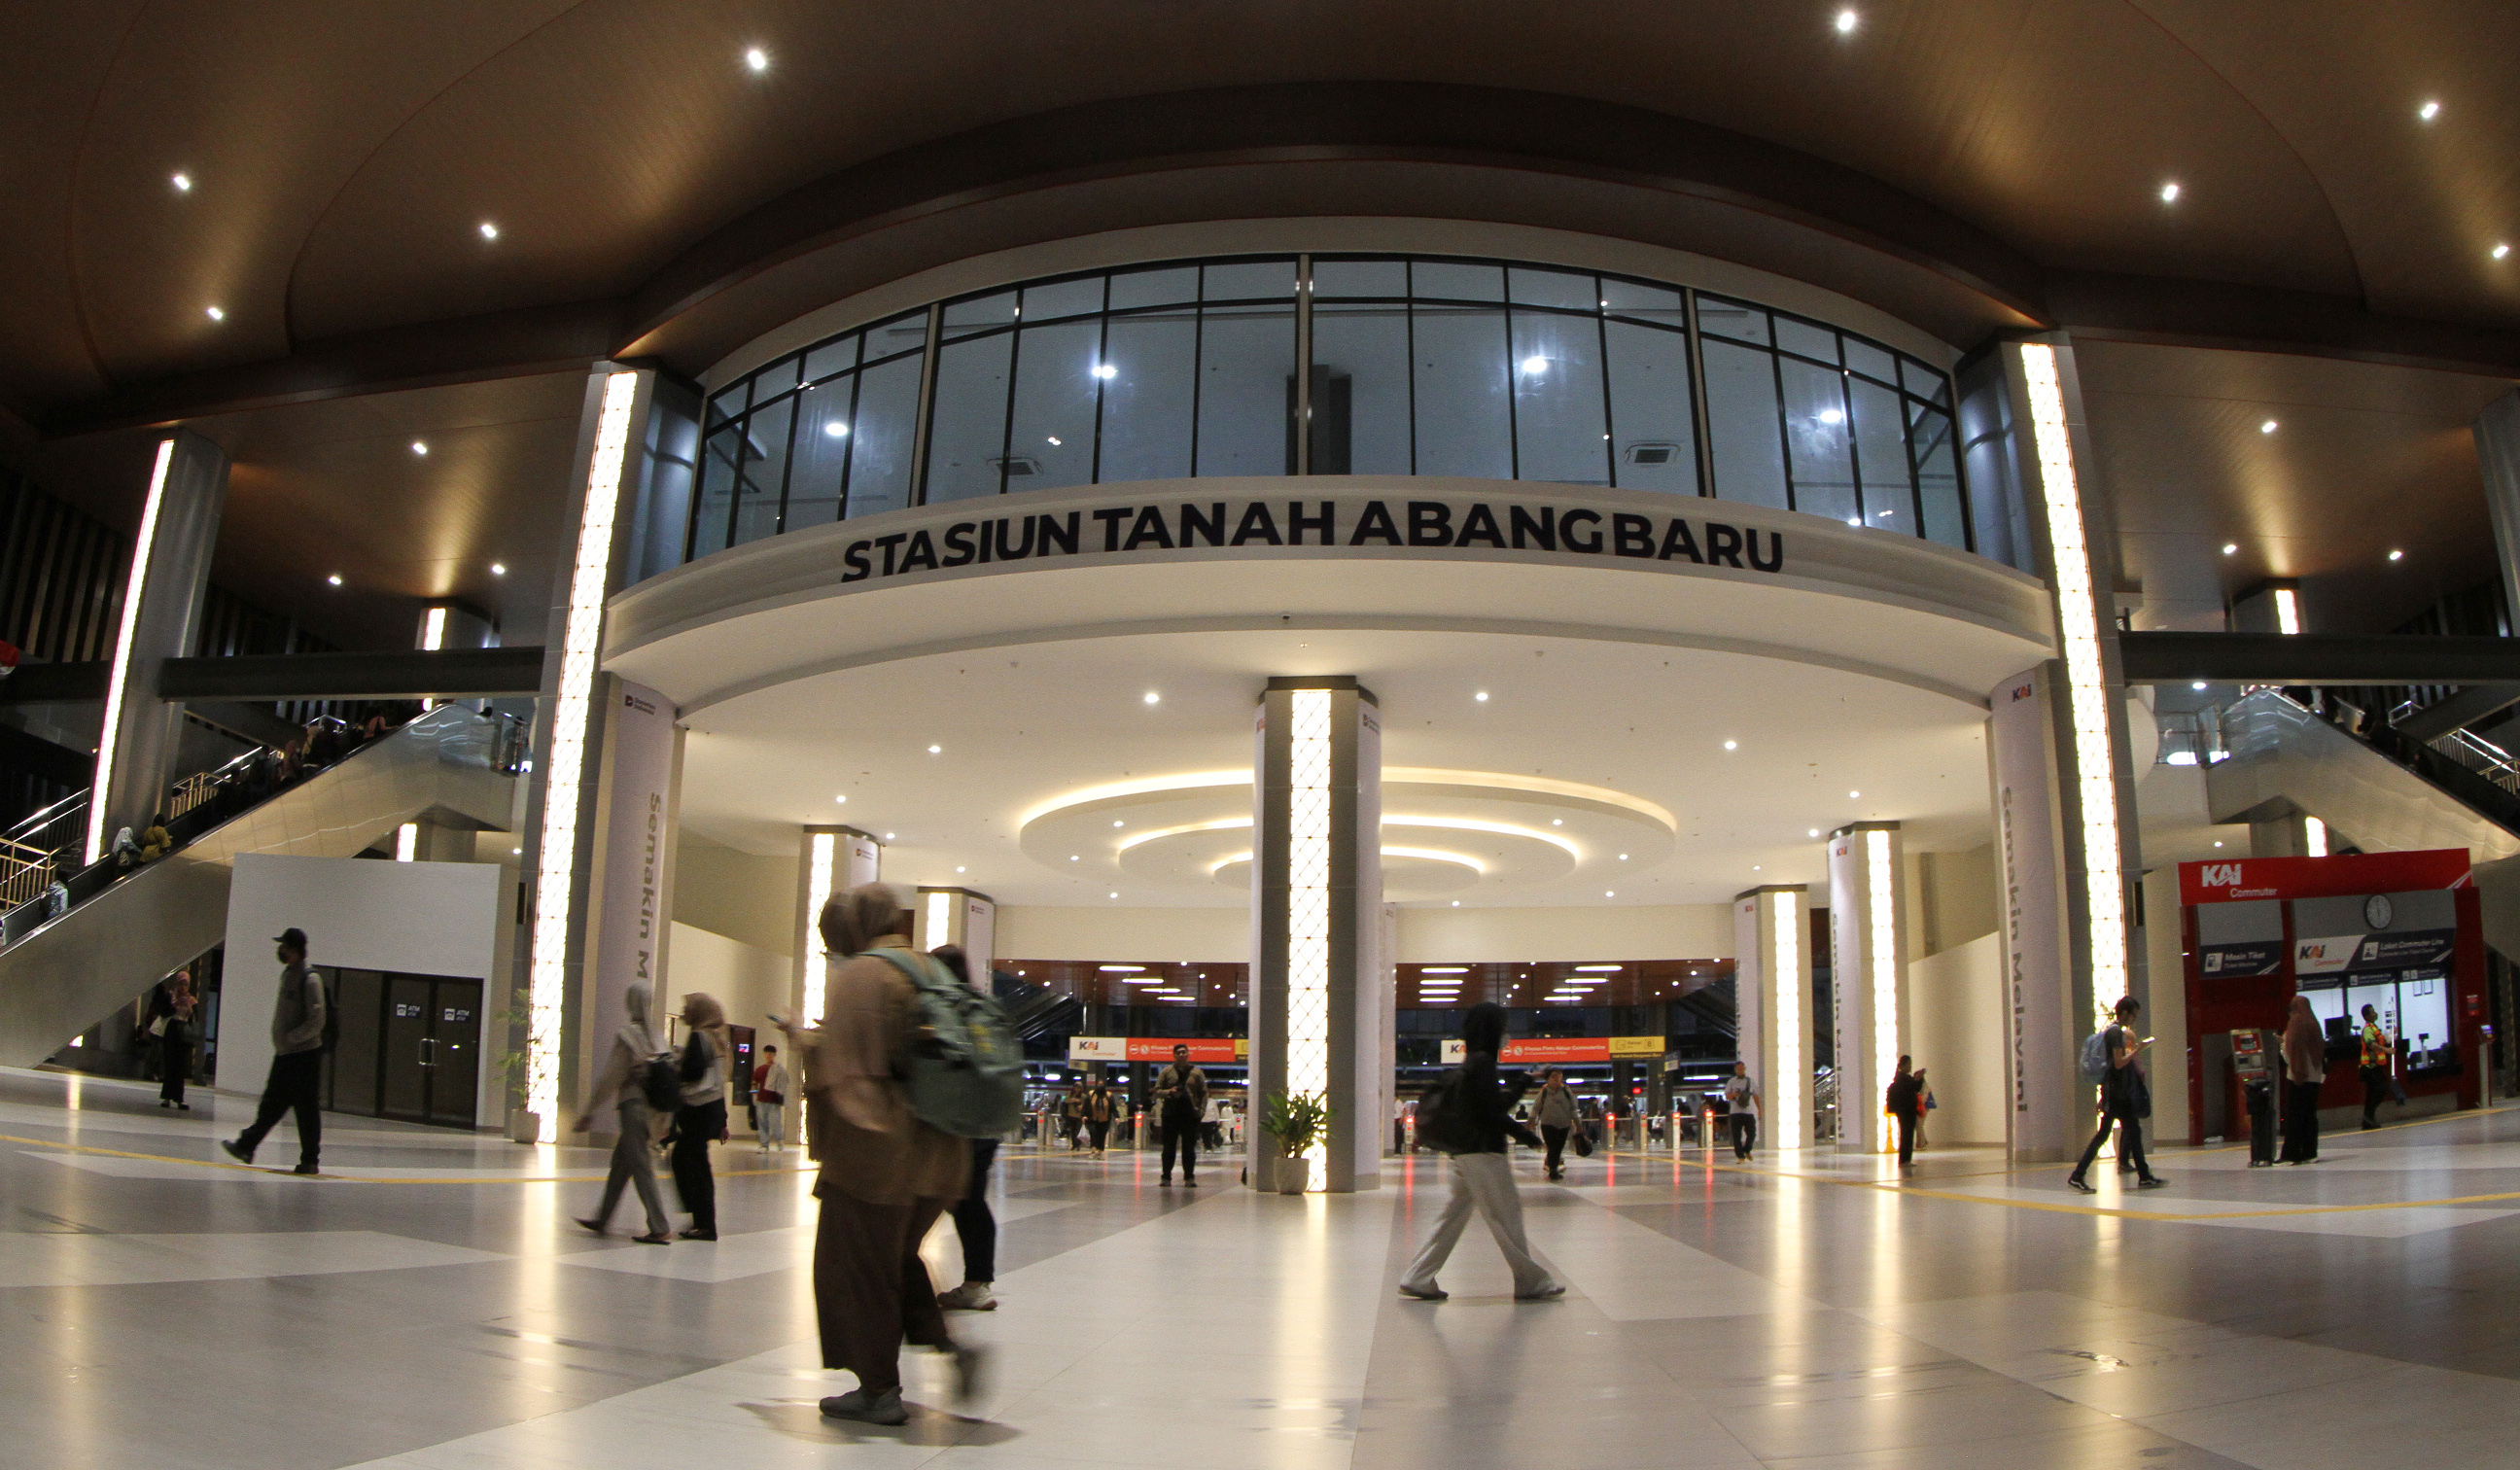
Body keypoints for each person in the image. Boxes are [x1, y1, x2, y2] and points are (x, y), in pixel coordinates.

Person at [785, 884, 976, 1425]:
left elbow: (845, 1073)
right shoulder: (927, 968)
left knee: (856, 1268)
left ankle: (879, 1391)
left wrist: (803, 1041)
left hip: (880, 1154)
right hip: (943, 1153)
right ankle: (946, 1346)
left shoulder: (862, 976)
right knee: (894, 1259)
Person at [1397, 1001, 1564, 1303]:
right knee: (1507, 1215)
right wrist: (1526, 1135)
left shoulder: (1473, 1061)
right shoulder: (1484, 1062)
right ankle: (1531, 1282)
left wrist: (1525, 1080)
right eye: (1504, 1028)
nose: (1507, 1036)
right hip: (1483, 1151)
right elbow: (1492, 1112)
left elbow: (1488, 1106)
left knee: (1453, 1217)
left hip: (1465, 1152)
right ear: (1493, 1030)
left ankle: (1418, 1277)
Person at [571, 982, 674, 1243]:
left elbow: (611, 1077)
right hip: (652, 1112)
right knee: (621, 1164)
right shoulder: (658, 1038)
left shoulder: (628, 1036)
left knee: (640, 1167)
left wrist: (590, 1110)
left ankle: (659, 1226)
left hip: (632, 1108)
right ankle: (603, 1218)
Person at [222, 928, 327, 1175]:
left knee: (306, 1108)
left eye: (284, 946)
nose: (280, 950)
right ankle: (247, 1145)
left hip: (304, 1056)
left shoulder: (310, 980)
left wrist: (292, 1038)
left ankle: (309, 1159)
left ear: (295, 950)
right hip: (287, 1054)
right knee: (272, 1103)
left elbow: (317, 1020)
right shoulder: (287, 975)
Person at [932, 945, 998, 1312]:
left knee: (959, 1201)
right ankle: (977, 1281)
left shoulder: (947, 1008)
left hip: (958, 1122)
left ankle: (976, 1283)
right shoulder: (981, 1007)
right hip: (987, 1122)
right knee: (970, 1200)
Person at [2068, 998, 2165, 1193]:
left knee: (2132, 1131)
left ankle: (2144, 1176)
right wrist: (2138, 1049)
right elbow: (2119, 1063)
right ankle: (2077, 1175)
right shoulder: (2115, 1033)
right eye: (2134, 1015)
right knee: (2106, 1134)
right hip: (2118, 1094)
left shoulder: (2115, 1032)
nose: (2134, 1019)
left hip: (2118, 1093)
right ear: (2126, 1013)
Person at [670, 993, 730, 1240]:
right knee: (696, 1163)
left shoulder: (699, 1036)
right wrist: (723, 1119)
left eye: (688, 1008)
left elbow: (693, 1072)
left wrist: (676, 1063)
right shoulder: (718, 1037)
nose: (684, 1012)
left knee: (688, 1162)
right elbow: (720, 1078)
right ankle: (702, 1220)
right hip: (712, 1109)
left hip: (696, 1109)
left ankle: (703, 1221)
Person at [1154, 1043, 1208, 1186]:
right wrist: (1169, 1092)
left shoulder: (1196, 1073)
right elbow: (1156, 1090)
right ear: (1174, 1055)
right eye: (1178, 1052)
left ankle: (1189, 1177)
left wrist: (1201, 1111)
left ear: (1188, 1054)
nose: (1181, 1054)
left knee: (1189, 1148)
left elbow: (1204, 1093)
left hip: (1190, 1115)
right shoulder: (1166, 1072)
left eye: (1184, 1052)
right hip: (1170, 1114)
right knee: (1168, 1148)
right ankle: (1166, 1177)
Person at [2280, 994, 2325, 1164]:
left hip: (2298, 1077)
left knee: (2294, 1116)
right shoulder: (2314, 1022)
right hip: (2314, 1077)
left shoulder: (2296, 1022)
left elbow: (2290, 1052)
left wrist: (2282, 1044)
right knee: (2310, 1115)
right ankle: (2310, 1152)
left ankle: (2291, 1154)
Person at [149, 970, 197, 1109]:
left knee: (180, 1067)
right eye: (181, 984)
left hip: (183, 1034)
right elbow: (164, 1011)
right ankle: (167, 1097)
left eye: (186, 984)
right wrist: (175, 1005)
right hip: (171, 1030)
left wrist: (188, 1007)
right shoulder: (170, 996)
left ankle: (179, 1098)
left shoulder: (191, 1000)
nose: (183, 987)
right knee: (169, 1064)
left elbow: (195, 1018)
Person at [1532, 1068, 1577, 1179]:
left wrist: (1578, 1124)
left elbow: (1573, 1108)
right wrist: (1530, 1121)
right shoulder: (1544, 1092)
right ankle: (1553, 1170)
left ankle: (1553, 1167)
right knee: (1552, 1147)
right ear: (1548, 1079)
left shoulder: (1567, 1091)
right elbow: (1536, 1107)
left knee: (1558, 1147)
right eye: (1553, 1076)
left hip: (1564, 1124)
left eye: (1559, 1075)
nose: (1556, 1078)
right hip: (1547, 1124)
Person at [2358, 1003, 2394, 1130]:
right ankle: (2368, 1117)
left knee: (2373, 1092)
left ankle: (2368, 1119)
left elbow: (2381, 1041)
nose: (2375, 1013)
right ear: (2367, 1016)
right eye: (2372, 1012)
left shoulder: (2374, 1028)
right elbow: (2372, 1045)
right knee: (2380, 1089)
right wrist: (2387, 1050)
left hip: (2375, 1066)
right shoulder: (2368, 1029)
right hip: (2369, 1067)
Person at [1885, 1056, 1924, 1168]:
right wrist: (1918, 1079)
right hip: (1907, 1110)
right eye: (1908, 1064)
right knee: (1907, 1134)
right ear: (1903, 1066)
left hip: (1904, 1110)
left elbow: (1915, 1087)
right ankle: (1905, 1159)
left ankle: (1905, 1159)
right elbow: (1914, 1088)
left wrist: (1918, 1079)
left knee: (1906, 1134)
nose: (1910, 1066)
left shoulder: (1901, 1078)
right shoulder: (1904, 1079)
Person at [753, 1043, 789, 1153]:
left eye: (771, 1054)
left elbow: (784, 1084)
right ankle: (764, 1145)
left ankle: (780, 1141)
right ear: (764, 1054)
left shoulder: (779, 1069)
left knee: (775, 1122)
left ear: (774, 1055)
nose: (769, 1056)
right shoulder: (760, 1069)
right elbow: (754, 1084)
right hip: (761, 1099)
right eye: (767, 1053)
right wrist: (754, 1096)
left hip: (774, 1101)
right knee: (762, 1122)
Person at [1722, 1062, 1758, 1161]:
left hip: (1748, 1112)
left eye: (1742, 1069)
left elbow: (1755, 1096)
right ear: (1735, 1070)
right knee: (1737, 1136)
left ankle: (1747, 1149)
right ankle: (1740, 1156)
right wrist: (1734, 1094)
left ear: (1744, 1069)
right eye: (1738, 1069)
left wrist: (1759, 1109)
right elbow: (1727, 1096)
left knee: (1752, 1133)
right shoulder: (1731, 1082)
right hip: (1735, 1113)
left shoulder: (1750, 1081)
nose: (1740, 1071)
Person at [1085, 1080, 1114, 1155]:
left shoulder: (1109, 1095)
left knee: (1102, 1134)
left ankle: (1100, 1149)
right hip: (1093, 1118)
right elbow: (1086, 1106)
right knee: (1093, 1132)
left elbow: (1112, 1107)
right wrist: (1084, 1115)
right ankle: (1093, 1147)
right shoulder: (1091, 1094)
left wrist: (1117, 1116)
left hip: (1104, 1119)